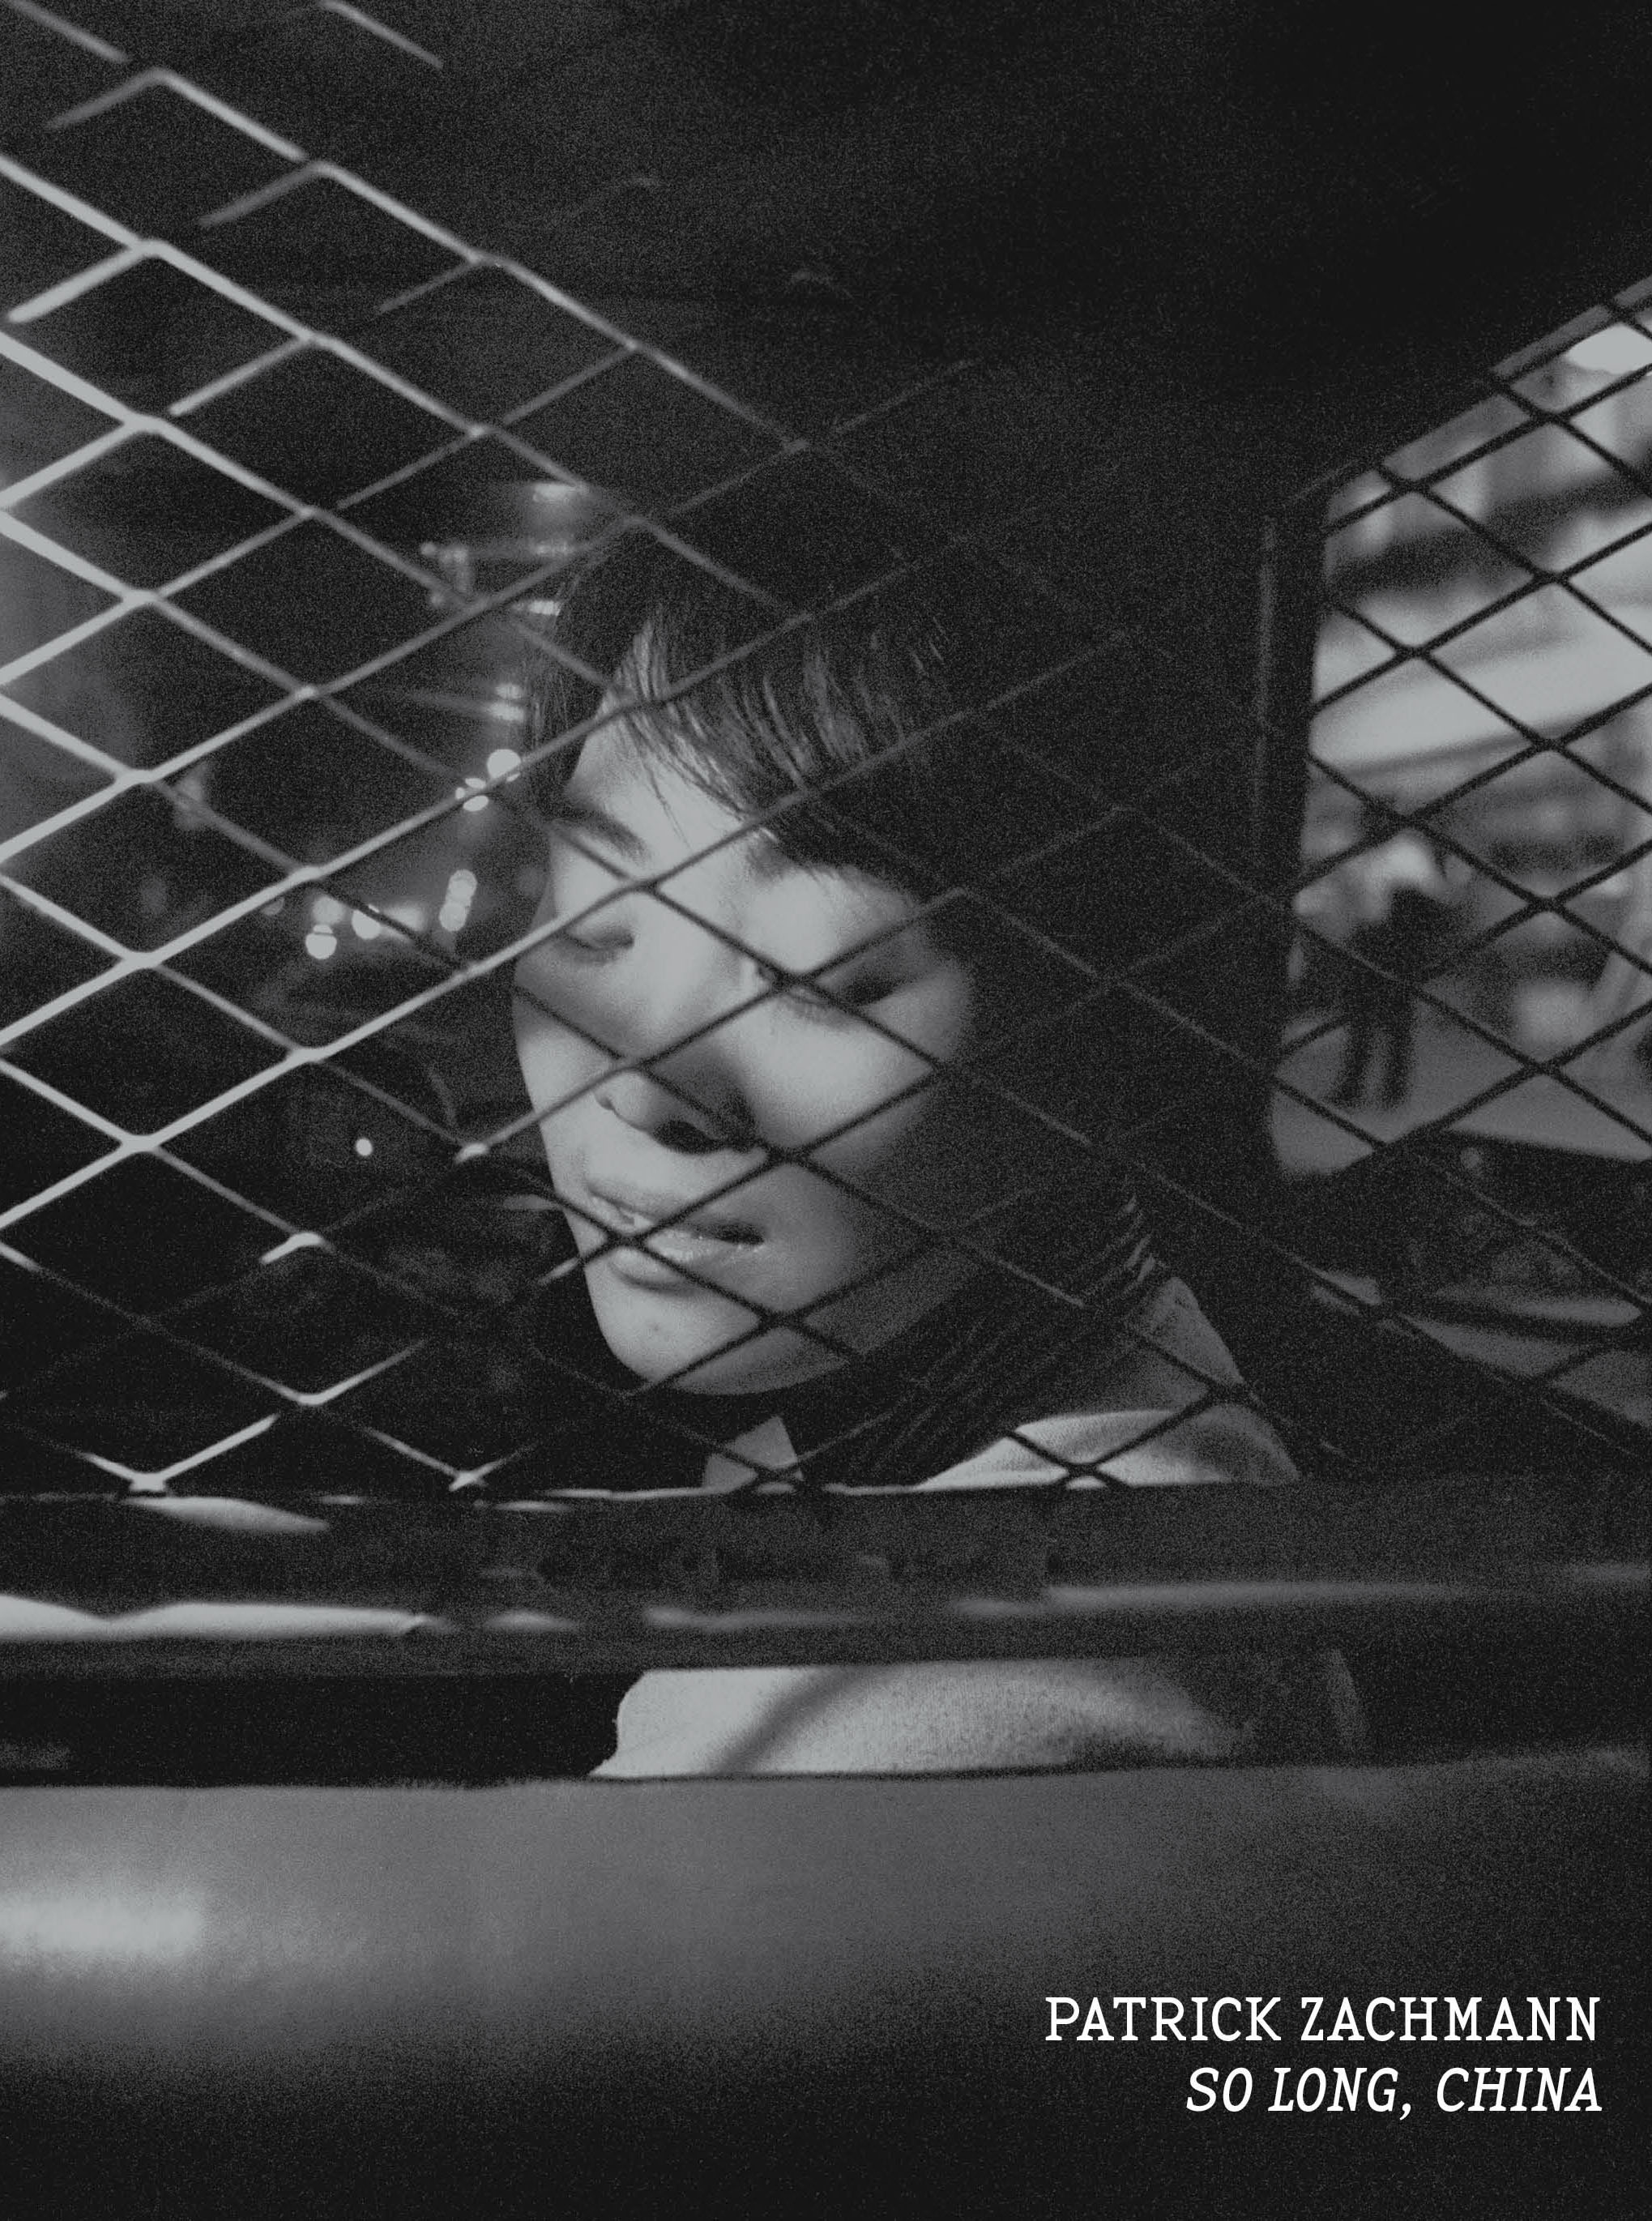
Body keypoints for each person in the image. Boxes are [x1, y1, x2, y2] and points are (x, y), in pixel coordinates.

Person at [509, 524, 1355, 1774]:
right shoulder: (1076, 1369)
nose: (649, 1078)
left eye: (821, 973)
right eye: (594, 920)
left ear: (1099, 1034)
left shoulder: (954, 1723)